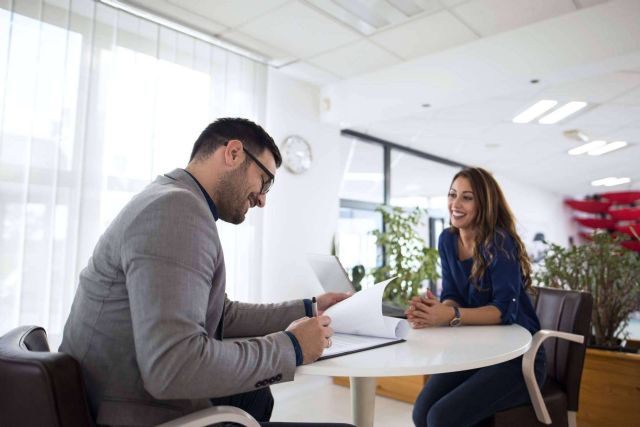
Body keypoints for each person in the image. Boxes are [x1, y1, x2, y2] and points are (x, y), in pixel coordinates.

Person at [60, 118, 354, 427]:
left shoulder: (171, 197)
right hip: (130, 410)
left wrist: (310, 309)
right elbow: (173, 367)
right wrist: (292, 347)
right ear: (233, 153)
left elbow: (221, 313)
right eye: (265, 181)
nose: (263, 199)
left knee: (256, 396)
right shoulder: (176, 210)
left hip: (113, 391)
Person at [406, 167, 546, 427]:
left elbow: (505, 312)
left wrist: (449, 315)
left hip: (518, 357)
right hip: (476, 350)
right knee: (421, 412)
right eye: (452, 194)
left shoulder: (500, 243)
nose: (455, 204)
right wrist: (436, 311)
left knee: (441, 418)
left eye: (467, 197)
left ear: (484, 203)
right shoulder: (447, 239)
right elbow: (452, 295)